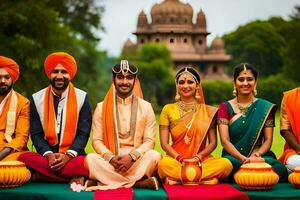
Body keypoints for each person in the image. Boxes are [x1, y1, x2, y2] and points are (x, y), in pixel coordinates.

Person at [84, 60, 161, 191]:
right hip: (111, 162)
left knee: (154, 156)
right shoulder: (102, 107)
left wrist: (132, 157)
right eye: (120, 77)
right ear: (113, 80)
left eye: (129, 78)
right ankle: (138, 183)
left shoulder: (146, 107)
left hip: (137, 161)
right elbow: (97, 140)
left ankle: (104, 182)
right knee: (90, 159)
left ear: (135, 80)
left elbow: (149, 141)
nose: (124, 82)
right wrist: (111, 158)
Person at [19, 52, 92, 183]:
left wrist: (68, 155)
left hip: (74, 156)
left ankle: (42, 176)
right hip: (47, 157)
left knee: (89, 162)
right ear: (49, 74)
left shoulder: (82, 97)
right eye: (55, 71)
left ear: (70, 74)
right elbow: (36, 134)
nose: (59, 76)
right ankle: (68, 178)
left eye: (64, 72)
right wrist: (49, 154)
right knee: (25, 157)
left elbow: (83, 133)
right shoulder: (37, 98)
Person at [158, 67, 232, 185]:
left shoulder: (207, 111)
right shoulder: (168, 109)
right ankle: (205, 179)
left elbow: (213, 143)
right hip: (175, 160)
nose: (185, 85)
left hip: (201, 161)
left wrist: (198, 157)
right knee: (162, 165)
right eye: (181, 82)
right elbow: (164, 143)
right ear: (177, 86)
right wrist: (179, 158)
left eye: (190, 82)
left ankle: (178, 179)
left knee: (226, 164)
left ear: (197, 86)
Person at [217, 63, 288, 182]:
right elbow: (225, 141)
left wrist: (257, 155)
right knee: (225, 167)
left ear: (255, 82)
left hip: (259, 156)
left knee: (280, 169)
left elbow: (268, 140)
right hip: (233, 157)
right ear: (234, 83)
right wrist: (242, 158)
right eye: (241, 79)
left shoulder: (265, 107)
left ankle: (246, 177)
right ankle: (257, 177)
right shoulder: (225, 107)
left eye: (250, 79)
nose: (245, 83)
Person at [0, 56, 29, 161]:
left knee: (23, 159)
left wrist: (1, 154)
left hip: (9, 150)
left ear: (12, 78)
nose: (2, 81)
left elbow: (21, 138)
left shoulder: (23, 103)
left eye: (6, 77)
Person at [279, 87, 300, 172]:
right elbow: (285, 129)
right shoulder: (290, 97)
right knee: (295, 162)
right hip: (296, 150)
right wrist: (299, 149)